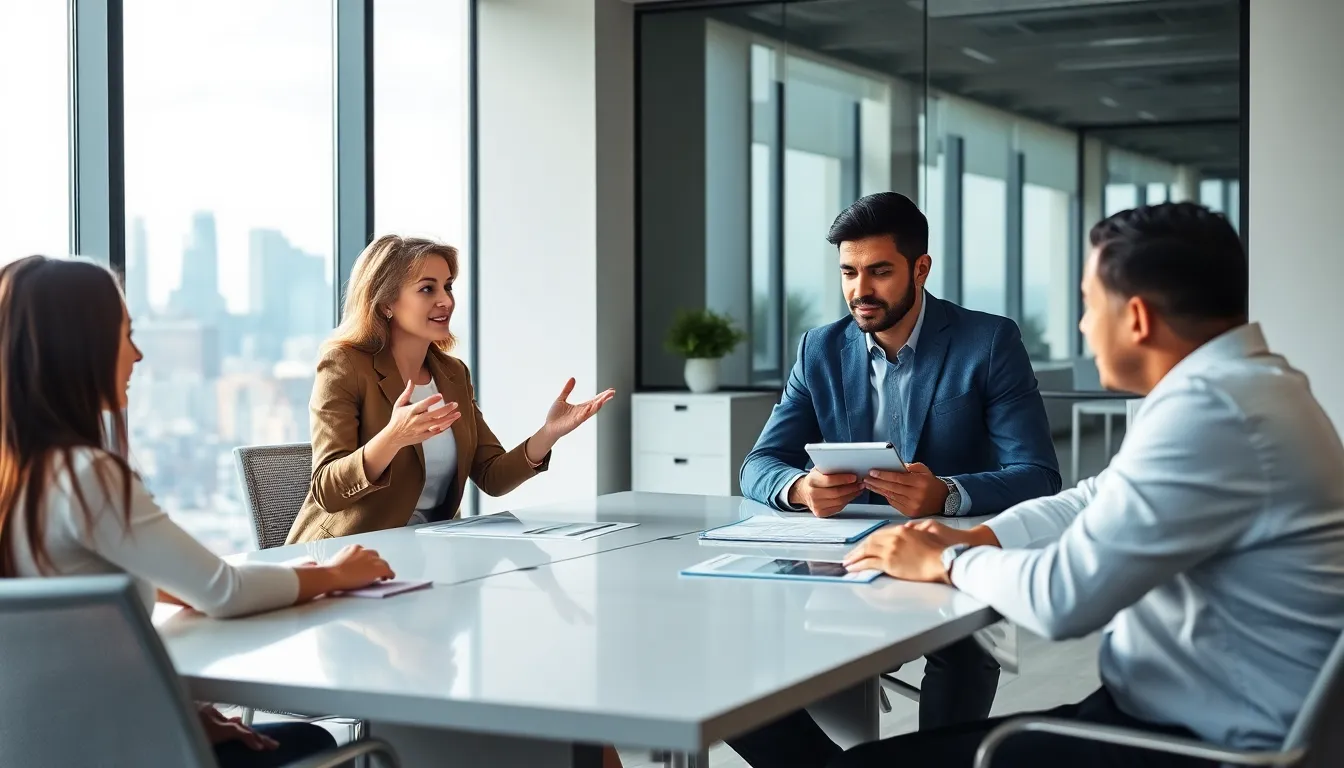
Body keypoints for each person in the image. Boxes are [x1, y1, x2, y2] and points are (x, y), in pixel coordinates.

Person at [730, 202, 1344, 768]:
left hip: (1192, 741)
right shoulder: (1245, 388)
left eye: (1089, 305)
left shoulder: (1211, 412)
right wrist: (972, 537)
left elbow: (1062, 597)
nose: (1082, 327)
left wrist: (949, 558)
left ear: (1136, 317)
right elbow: (1093, 496)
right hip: (1181, 710)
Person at [0, 255, 397, 768]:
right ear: (79, 348)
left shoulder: (20, 477)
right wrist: (336, 574)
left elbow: (69, 628)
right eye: (126, 335)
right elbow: (223, 591)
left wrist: (179, 714)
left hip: (52, 745)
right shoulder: (86, 476)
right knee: (316, 744)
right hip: (120, 750)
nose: (138, 355)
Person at [738, 191, 1060, 728]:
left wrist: (947, 493)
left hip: (945, 559)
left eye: (880, 272)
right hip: (844, 563)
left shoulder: (988, 342)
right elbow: (758, 464)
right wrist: (800, 488)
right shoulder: (819, 349)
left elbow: (1039, 476)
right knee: (740, 658)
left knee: (967, 652)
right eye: (849, 273)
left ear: (921, 268)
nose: (860, 290)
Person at [286, 235, 615, 544]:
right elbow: (327, 491)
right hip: (345, 553)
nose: (446, 300)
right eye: (427, 289)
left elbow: (492, 476)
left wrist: (549, 433)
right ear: (386, 303)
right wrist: (393, 438)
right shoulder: (344, 365)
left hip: (427, 550)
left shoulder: (452, 373)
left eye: (448, 286)